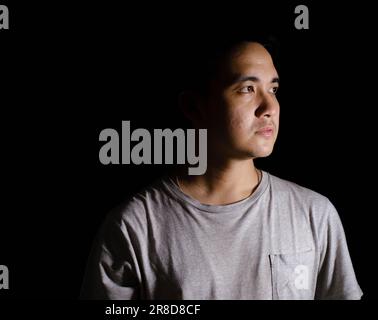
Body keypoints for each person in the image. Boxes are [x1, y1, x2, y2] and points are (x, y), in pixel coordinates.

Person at [80, 36, 363, 300]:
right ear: (194, 106)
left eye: (273, 89)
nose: (269, 106)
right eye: (247, 89)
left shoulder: (315, 214)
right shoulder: (134, 227)